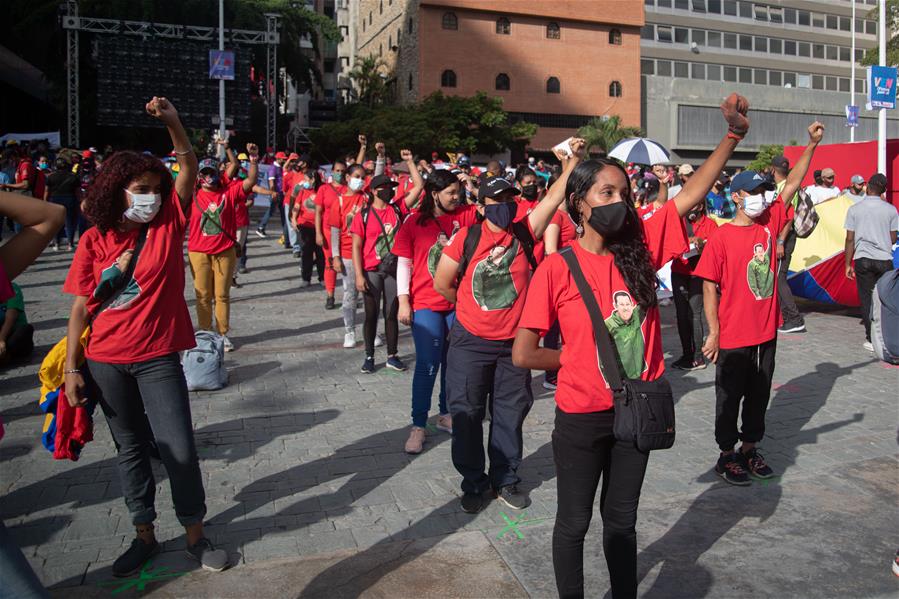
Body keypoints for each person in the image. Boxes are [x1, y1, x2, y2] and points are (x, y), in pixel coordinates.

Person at [511, 93, 751, 599]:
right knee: (573, 524)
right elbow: (524, 352)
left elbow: (688, 195)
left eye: (623, 191)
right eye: (605, 193)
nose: (618, 201)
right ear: (579, 203)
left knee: (621, 522)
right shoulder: (558, 267)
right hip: (579, 416)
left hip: (637, 412)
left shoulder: (641, 247)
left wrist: (733, 137)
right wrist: (575, 358)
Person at [62, 97, 229, 577]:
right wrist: (74, 370)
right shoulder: (94, 240)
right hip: (105, 362)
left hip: (159, 358)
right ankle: (144, 535)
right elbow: (79, 308)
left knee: (178, 446)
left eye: (155, 189)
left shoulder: (167, 223)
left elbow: (188, 167)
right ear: (118, 191)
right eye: (141, 189)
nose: (150, 197)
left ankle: (195, 534)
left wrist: (175, 122)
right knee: (130, 450)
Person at [432, 137, 586, 515]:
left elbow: (552, 199)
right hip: (470, 341)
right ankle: (474, 481)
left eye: (509, 200)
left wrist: (572, 163)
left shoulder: (523, 232)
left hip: (513, 348)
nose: (503, 207)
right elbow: (442, 283)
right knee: (467, 414)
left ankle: (505, 478)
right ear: (482, 206)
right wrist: (471, 308)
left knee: (510, 413)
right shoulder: (466, 238)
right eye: (496, 201)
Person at [696, 121, 824, 487]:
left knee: (759, 393)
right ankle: (726, 455)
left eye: (765, 190)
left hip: (765, 334)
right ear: (736, 196)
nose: (762, 196)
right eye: (753, 192)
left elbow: (794, 183)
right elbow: (708, 288)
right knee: (728, 398)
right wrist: (714, 333)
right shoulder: (721, 238)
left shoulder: (769, 223)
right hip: (733, 336)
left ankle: (749, 448)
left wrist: (811, 145)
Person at [393, 169, 479, 453]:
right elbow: (404, 263)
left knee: (453, 364)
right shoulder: (414, 222)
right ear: (434, 194)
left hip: (457, 303)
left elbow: (488, 208)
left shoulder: (466, 214)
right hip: (426, 305)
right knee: (428, 365)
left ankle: (446, 414)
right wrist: (404, 301)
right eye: (450, 192)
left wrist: (473, 186)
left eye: (458, 191)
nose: (457, 197)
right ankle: (418, 425)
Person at [351, 153, 423, 373]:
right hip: (372, 270)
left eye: (391, 187)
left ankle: (392, 355)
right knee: (371, 314)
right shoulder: (363, 215)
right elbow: (356, 246)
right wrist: (359, 275)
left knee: (391, 313)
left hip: (394, 270)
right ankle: (369, 356)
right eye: (385, 187)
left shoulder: (398, 208)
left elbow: (419, 186)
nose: (390, 190)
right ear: (374, 191)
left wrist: (410, 162)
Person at [188, 146, 258, 352]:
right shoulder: (192, 195)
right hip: (198, 252)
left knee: (222, 295)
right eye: (205, 174)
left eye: (212, 173)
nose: (209, 177)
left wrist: (253, 160)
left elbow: (250, 182)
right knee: (202, 294)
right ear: (199, 177)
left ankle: (222, 333)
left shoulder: (229, 191)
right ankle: (204, 332)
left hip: (224, 251)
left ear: (218, 174)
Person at [844, 173, 899, 352]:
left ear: (867, 187)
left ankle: (871, 338)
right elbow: (892, 239)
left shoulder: (854, 209)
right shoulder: (891, 210)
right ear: (883, 190)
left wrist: (847, 264)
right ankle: (887, 336)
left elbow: (850, 239)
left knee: (867, 299)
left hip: (863, 259)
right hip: (884, 259)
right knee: (885, 299)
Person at [670, 200, 718, 370]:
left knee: (695, 314)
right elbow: (669, 245)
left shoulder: (710, 224)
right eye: (690, 205)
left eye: (696, 206)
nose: (692, 209)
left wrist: (702, 244)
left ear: (701, 206)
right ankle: (686, 355)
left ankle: (698, 358)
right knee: (682, 315)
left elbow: (716, 250)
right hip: (679, 272)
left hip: (698, 274)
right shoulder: (679, 223)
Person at [770, 155, 806, 334]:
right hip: (782, 237)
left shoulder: (785, 188)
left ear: (772, 169)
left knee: (779, 278)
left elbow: (788, 218)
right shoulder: (782, 186)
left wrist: (780, 242)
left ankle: (794, 319)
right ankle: (786, 316)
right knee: (777, 277)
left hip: (784, 237)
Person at [316, 159, 347, 309]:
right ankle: (330, 295)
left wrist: (363, 148)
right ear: (332, 171)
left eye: (342, 171)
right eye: (337, 171)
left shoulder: (349, 189)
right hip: (328, 232)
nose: (339, 174)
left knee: (349, 264)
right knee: (330, 264)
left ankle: (350, 294)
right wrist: (318, 233)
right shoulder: (324, 189)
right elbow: (318, 212)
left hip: (346, 233)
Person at [290, 168, 326, 288]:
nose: (304, 182)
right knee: (306, 252)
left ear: (313, 179)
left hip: (320, 226)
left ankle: (322, 277)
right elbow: (297, 205)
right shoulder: (303, 191)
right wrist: (294, 219)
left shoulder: (323, 190)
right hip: (304, 225)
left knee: (321, 253)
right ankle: (306, 278)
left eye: (306, 180)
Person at [44, 157, 81, 251]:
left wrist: (45, 202)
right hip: (70, 199)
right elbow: (78, 191)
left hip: (55, 199)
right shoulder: (73, 176)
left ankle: (56, 244)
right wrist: (80, 201)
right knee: (70, 222)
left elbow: (47, 191)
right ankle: (70, 244)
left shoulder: (51, 177)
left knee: (56, 222)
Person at [0, 282, 34, 366]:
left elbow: (11, 317)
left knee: (24, 331)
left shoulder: (12, 288)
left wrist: (1, 340)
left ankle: (6, 356)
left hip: (11, 332)